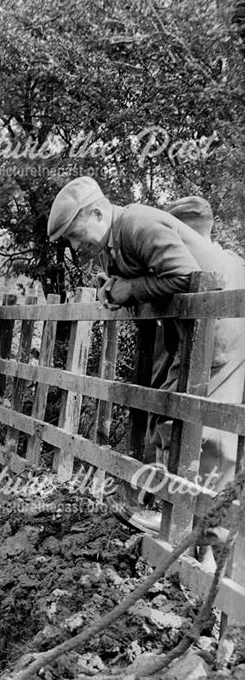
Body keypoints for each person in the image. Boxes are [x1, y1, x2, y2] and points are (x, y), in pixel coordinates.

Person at [47, 176, 245, 529]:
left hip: (219, 331)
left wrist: (131, 289)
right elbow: (135, 280)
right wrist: (112, 289)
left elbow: (187, 275)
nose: (76, 246)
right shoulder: (113, 241)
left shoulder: (138, 223)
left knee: (191, 423)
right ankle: (187, 520)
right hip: (192, 335)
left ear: (96, 213)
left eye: (75, 235)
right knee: (169, 415)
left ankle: (189, 523)